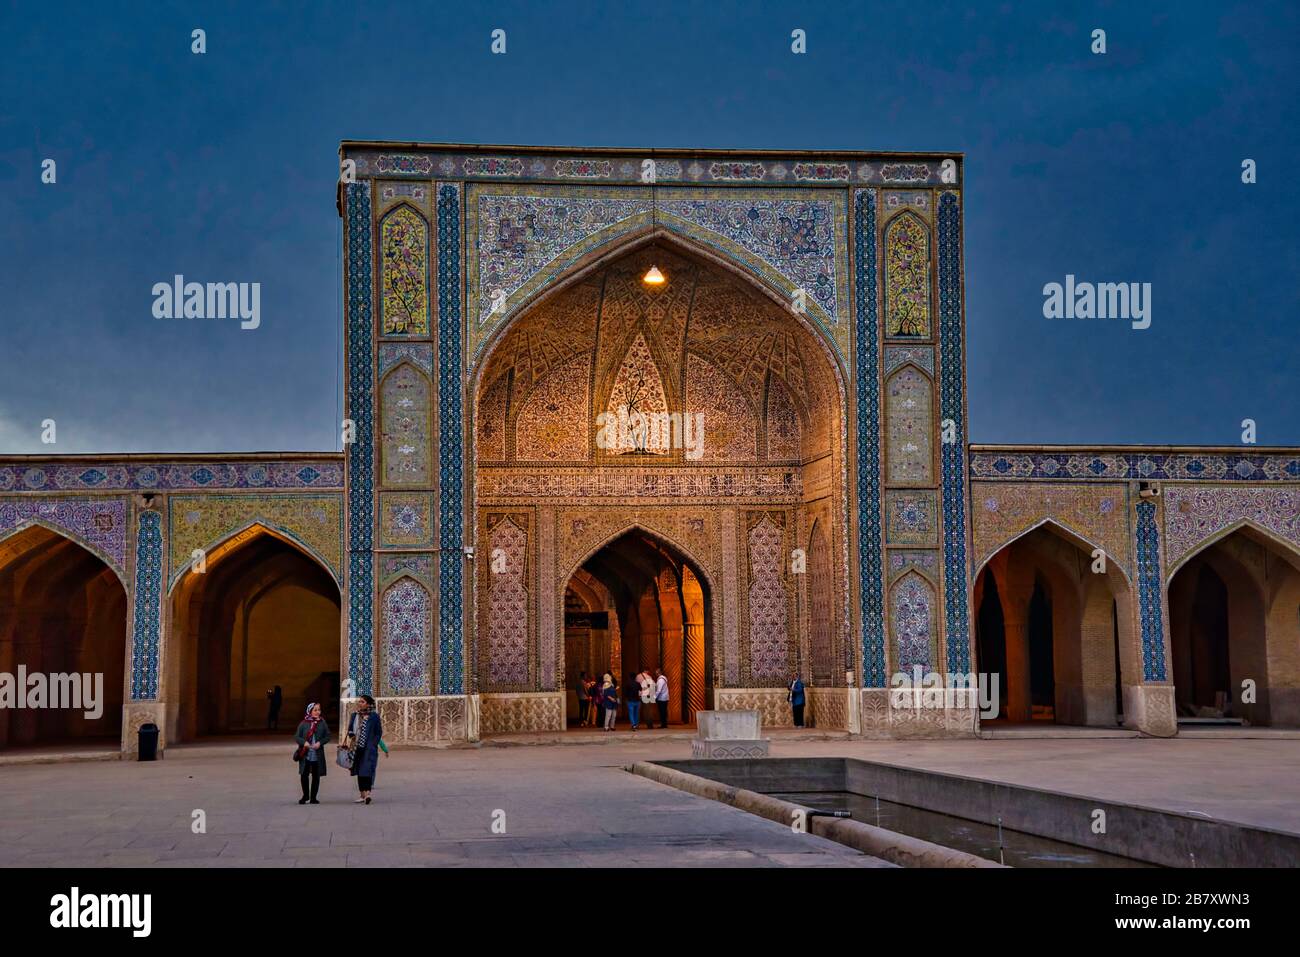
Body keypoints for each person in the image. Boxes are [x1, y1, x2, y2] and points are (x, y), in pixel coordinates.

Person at [347, 694, 383, 804]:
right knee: (359, 770)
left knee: (366, 770)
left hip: (368, 748)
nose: (360, 703)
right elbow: (349, 729)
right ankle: (362, 794)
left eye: (362, 702)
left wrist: (373, 743)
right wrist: (351, 734)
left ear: (368, 704)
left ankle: (367, 794)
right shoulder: (355, 715)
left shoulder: (374, 717)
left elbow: (378, 732)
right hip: (356, 747)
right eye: (359, 701)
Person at [294, 702, 330, 804]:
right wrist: (304, 742)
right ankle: (305, 796)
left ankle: (313, 797)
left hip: (317, 754)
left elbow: (328, 736)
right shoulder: (304, 723)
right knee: (304, 775)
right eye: (315, 710)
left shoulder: (322, 722)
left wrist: (320, 743)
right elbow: (297, 737)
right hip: (305, 754)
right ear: (310, 711)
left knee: (316, 775)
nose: (317, 712)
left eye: (319, 710)